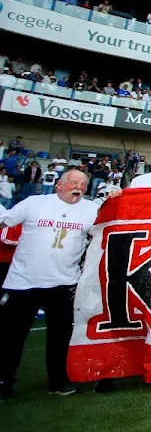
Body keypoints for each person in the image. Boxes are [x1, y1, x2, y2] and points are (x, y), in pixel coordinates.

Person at [0, 170, 99, 399]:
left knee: (61, 336)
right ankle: (4, 380)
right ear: (59, 185)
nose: (79, 187)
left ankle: (58, 380)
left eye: (83, 184)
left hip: (64, 282)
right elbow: (7, 219)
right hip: (23, 281)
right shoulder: (34, 203)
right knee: (11, 337)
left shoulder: (91, 209)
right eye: (73, 182)